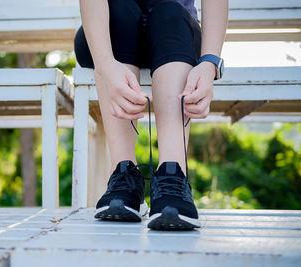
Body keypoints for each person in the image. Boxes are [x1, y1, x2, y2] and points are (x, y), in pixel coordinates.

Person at [74, 0, 228, 230]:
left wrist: (209, 62)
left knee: (171, 11)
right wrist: (105, 65)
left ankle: (173, 175)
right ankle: (123, 175)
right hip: (107, 36)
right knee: (119, 9)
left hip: (177, 35)